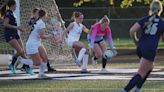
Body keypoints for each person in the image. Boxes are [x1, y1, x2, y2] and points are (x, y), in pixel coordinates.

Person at [121, 0, 164, 92]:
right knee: (141, 73)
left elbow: (132, 31)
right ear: (160, 9)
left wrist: (136, 41)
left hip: (140, 47)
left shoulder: (145, 19)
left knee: (150, 67)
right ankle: (124, 90)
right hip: (150, 49)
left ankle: (138, 89)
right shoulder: (162, 22)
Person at [1, 0, 33, 74]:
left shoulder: (13, 13)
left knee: (22, 51)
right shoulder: (8, 13)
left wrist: (20, 28)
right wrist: (17, 27)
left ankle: (25, 66)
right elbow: (5, 24)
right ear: (13, 5)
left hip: (15, 34)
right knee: (20, 51)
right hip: (9, 34)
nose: (16, 6)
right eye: (16, 5)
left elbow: (15, 26)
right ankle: (13, 65)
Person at [26, 9, 53, 78]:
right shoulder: (41, 23)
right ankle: (21, 60)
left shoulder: (39, 22)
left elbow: (40, 35)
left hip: (37, 42)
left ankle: (41, 74)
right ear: (44, 15)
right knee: (37, 63)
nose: (46, 17)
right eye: (46, 16)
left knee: (45, 58)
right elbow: (42, 36)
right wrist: (50, 36)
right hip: (32, 44)